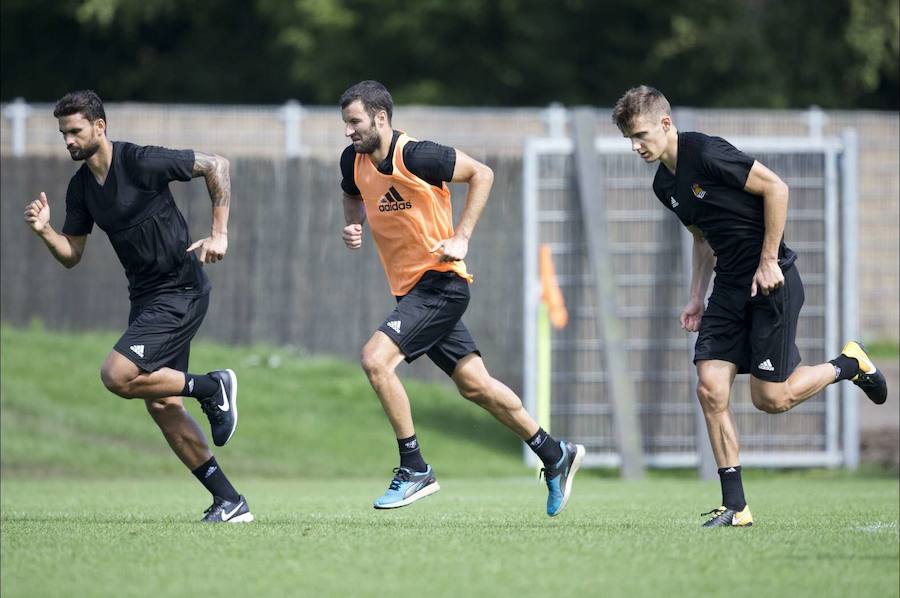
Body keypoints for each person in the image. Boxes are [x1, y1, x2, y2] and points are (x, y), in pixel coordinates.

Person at [612, 85, 888, 527]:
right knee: (709, 387)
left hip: (770, 280)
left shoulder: (705, 152)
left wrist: (767, 261)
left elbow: (776, 189)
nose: (636, 146)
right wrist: (695, 295)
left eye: (641, 134)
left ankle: (848, 364)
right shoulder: (664, 184)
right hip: (727, 288)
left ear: (665, 124)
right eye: (629, 138)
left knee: (772, 399)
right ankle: (735, 506)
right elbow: (703, 237)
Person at [338, 80, 585, 515]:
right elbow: (351, 192)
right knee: (476, 386)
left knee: (376, 360)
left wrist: (462, 236)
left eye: (355, 122)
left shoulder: (417, 155)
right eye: (345, 124)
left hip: (442, 283)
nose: (348, 132)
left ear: (380, 118)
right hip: (411, 292)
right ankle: (555, 454)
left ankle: (414, 468)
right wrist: (353, 223)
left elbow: (482, 173)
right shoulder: (352, 160)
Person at [23, 90, 253, 523]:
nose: (68, 141)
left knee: (117, 375)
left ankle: (212, 387)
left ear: (99, 127)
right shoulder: (81, 189)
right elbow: (72, 254)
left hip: (180, 290)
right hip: (146, 297)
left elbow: (216, 164)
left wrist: (219, 233)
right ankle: (230, 502)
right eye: (63, 134)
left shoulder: (140, 161)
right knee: (162, 403)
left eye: (75, 131)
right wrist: (44, 231)